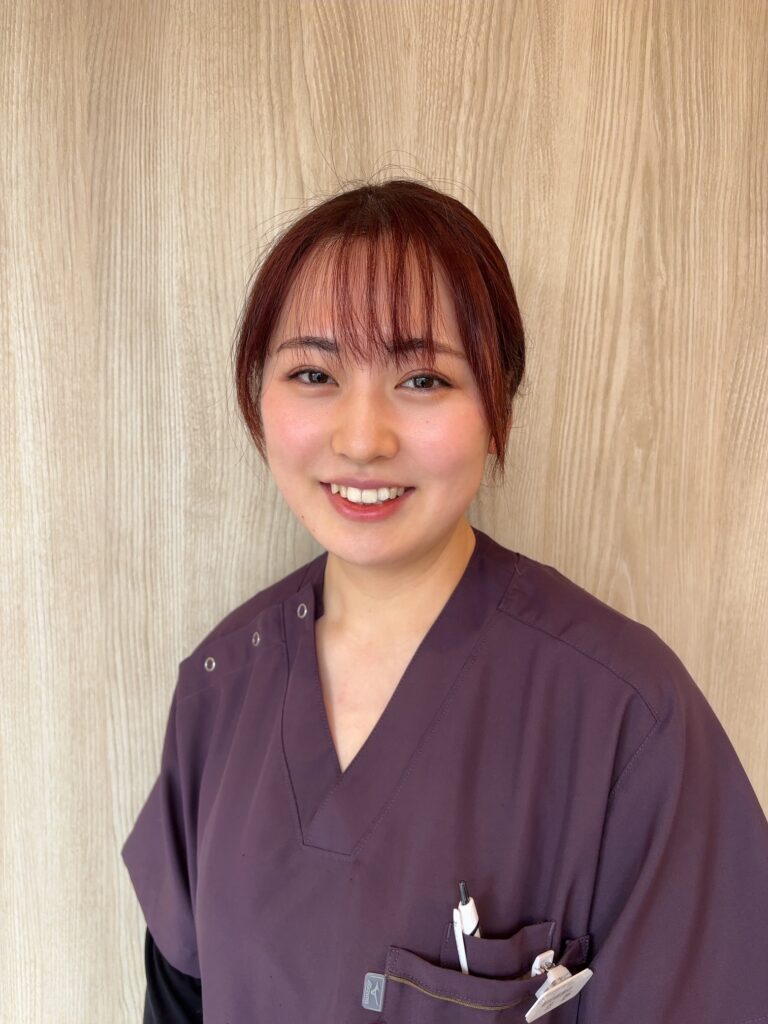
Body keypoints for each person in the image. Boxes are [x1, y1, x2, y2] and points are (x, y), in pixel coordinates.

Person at [122, 179, 768, 1023]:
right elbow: (178, 997)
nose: (362, 439)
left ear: (498, 404)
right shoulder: (220, 690)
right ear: (259, 396)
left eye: (422, 379)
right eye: (313, 372)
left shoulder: (626, 717)